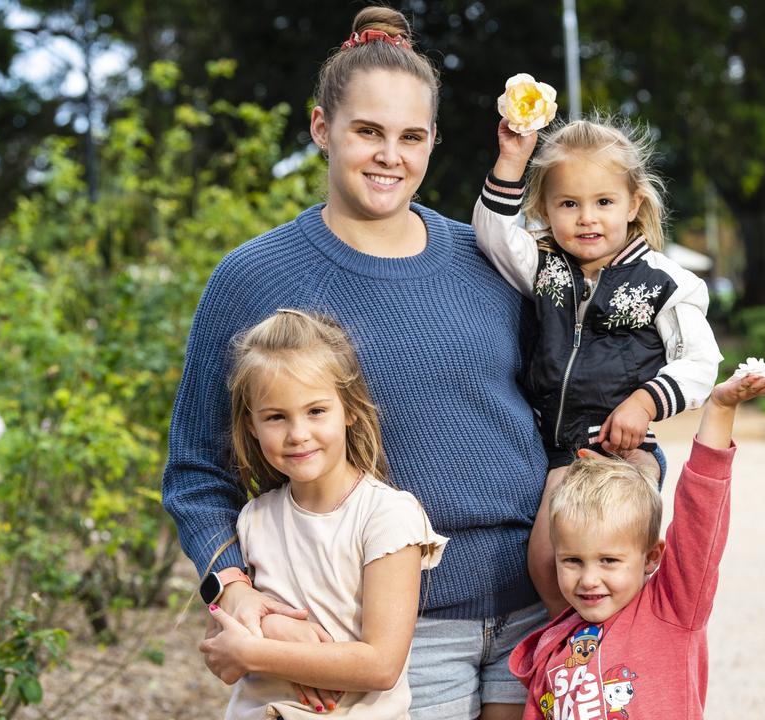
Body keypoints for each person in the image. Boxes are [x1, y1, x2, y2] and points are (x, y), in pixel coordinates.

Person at [162, 7, 549, 718]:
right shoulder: (252, 278)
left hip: (537, 616)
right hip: (390, 635)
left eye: (410, 136)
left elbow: (566, 401)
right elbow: (194, 471)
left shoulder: (491, 261)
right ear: (321, 129)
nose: (389, 156)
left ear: (435, 140)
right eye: (367, 131)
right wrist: (237, 590)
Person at [472, 115, 723, 614]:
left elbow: (702, 360)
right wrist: (512, 159)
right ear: (544, 207)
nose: (587, 218)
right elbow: (494, 233)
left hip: (620, 454)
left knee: (612, 567)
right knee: (547, 565)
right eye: (569, 204)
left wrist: (646, 401)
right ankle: (573, 660)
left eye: (604, 202)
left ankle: (620, 666)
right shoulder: (544, 268)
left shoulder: (666, 282)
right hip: (562, 453)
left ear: (634, 203)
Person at [200, 309, 446, 719]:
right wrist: (273, 632)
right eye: (276, 417)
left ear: (348, 409)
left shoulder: (387, 516)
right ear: (252, 425)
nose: (298, 434)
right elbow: (220, 656)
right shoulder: (253, 518)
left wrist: (257, 650)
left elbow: (381, 665)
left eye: (316, 411)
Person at [508, 362, 765, 718]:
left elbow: (699, 518)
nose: (589, 579)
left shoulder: (670, 608)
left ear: (651, 557)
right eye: (573, 561)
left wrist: (719, 409)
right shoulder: (555, 649)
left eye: (608, 560)